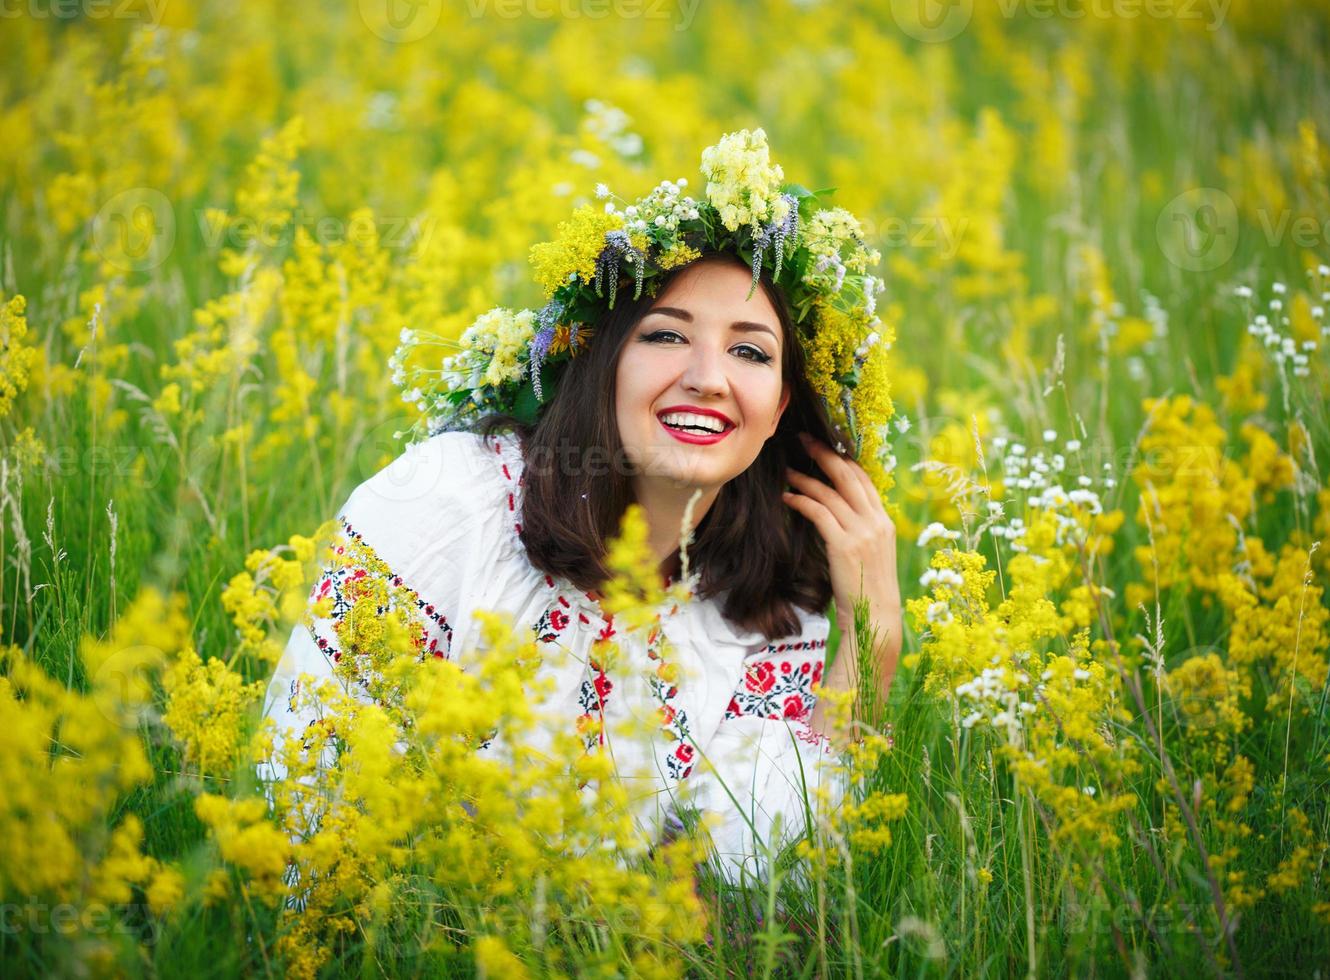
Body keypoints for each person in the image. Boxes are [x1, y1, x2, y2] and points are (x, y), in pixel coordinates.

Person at [260, 129, 903, 884]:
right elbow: (306, 798)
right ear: (603, 365)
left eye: (751, 352)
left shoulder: (772, 591)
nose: (708, 378)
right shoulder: (451, 501)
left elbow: (758, 881)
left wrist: (873, 642)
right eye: (666, 335)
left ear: (780, 404)